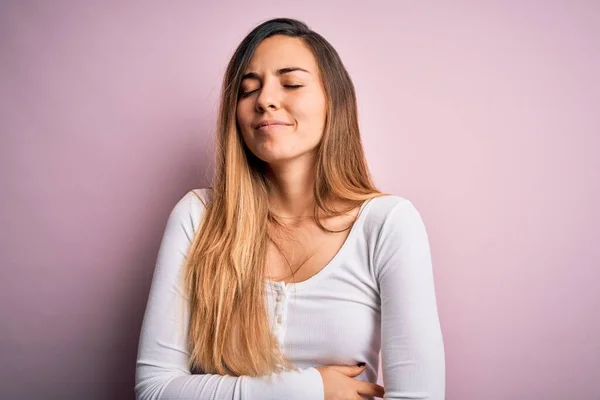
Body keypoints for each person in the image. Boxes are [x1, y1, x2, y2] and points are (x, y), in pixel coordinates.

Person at [135, 17, 445, 400]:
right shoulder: (197, 217)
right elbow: (155, 390)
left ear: (335, 100)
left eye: (292, 83)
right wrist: (311, 388)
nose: (264, 99)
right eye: (248, 90)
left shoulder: (388, 224)